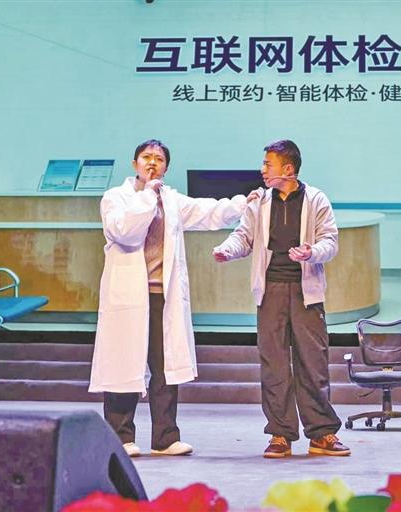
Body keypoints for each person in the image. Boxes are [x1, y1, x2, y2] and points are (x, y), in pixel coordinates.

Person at [89, 139, 258, 457]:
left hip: (162, 296)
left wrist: (240, 203)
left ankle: (165, 437)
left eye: (159, 159)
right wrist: (148, 196)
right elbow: (124, 232)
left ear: (167, 167)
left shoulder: (171, 200)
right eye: (146, 157)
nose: (152, 163)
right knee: (123, 364)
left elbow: (209, 212)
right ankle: (120, 437)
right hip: (128, 298)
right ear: (135, 163)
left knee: (165, 367)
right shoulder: (116, 198)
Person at [212, 140, 350, 458]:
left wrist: (312, 252)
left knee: (313, 364)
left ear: (288, 169)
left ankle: (322, 433)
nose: (262, 170)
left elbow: (330, 241)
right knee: (274, 365)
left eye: (268, 164)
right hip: (270, 290)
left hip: (306, 293)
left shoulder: (316, 199)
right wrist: (227, 250)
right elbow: (243, 236)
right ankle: (280, 434)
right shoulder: (260, 201)